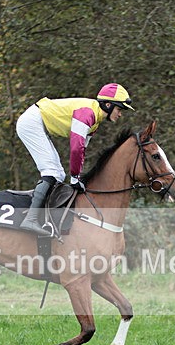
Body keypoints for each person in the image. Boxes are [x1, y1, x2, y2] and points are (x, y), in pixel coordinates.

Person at [15, 83, 134, 235]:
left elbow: (82, 150)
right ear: (108, 105)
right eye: (119, 109)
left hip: (38, 123)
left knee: (58, 174)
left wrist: (75, 177)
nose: (120, 114)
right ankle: (30, 219)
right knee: (51, 171)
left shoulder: (95, 121)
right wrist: (75, 178)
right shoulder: (87, 114)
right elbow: (76, 148)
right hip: (31, 123)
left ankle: (43, 218)